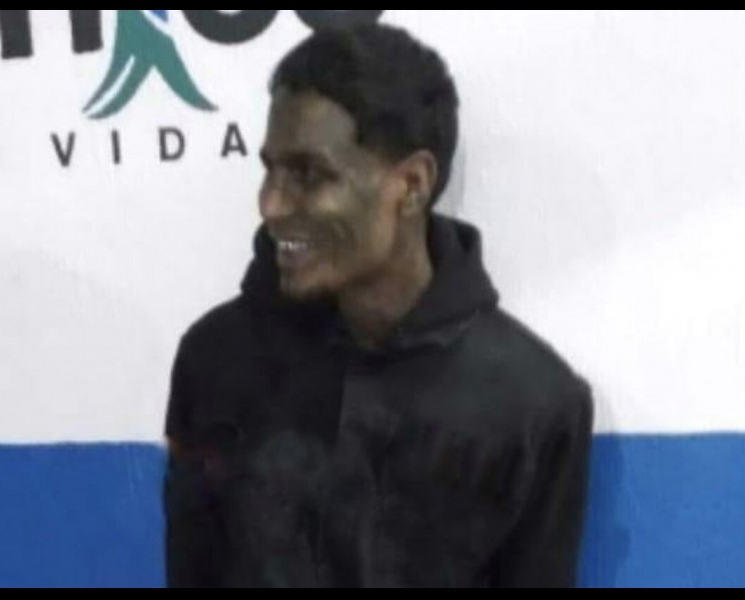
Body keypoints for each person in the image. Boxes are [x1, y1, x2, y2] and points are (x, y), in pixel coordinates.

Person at [164, 22, 594, 588]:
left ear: (411, 184)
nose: (270, 205)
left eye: (308, 175)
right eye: (269, 169)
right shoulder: (214, 358)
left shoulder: (535, 403)